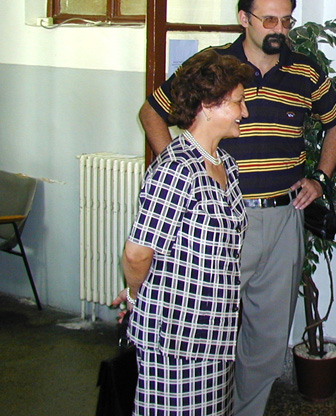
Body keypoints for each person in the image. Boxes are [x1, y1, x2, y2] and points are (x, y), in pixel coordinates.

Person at [138, 0, 336, 416]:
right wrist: (183, 163)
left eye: (286, 21)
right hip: (222, 221)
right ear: (243, 18)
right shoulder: (214, 68)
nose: (279, 29)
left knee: (267, 343)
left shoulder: (305, 70)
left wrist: (320, 178)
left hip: (284, 217)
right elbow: (152, 112)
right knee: (207, 334)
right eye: (269, 19)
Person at [116, 50, 253, 415]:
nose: (244, 112)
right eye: (238, 102)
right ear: (208, 105)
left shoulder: (225, 164)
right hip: (175, 339)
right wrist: (135, 297)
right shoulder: (177, 169)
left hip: (214, 332)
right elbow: (137, 253)